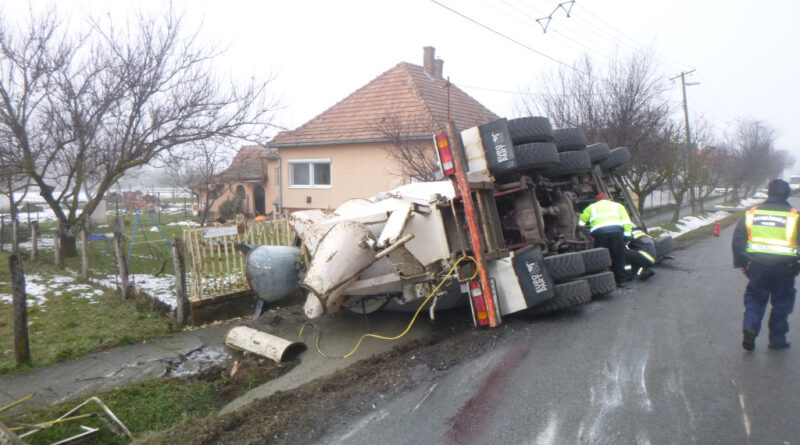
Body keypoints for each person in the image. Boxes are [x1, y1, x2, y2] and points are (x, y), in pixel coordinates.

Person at [732, 179, 800, 351]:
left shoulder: (752, 213)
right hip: (785, 268)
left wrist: (742, 263)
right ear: (787, 194)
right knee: (782, 301)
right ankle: (777, 340)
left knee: (755, 297)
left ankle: (750, 328)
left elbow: (739, 238)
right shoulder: (794, 216)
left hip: (757, 266)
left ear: (769, 193)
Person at [579, 193, 633, 286]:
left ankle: (602, 281)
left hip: (599, 234)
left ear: (597, 201)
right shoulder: (618, 206)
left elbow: (581, 223)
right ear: (609, 199)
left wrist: (580, 219)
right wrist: (627, 237)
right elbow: (626, 222)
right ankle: (621, 280)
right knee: (618, 256)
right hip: (616, 232)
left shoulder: (591, 207)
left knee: (601, 257)